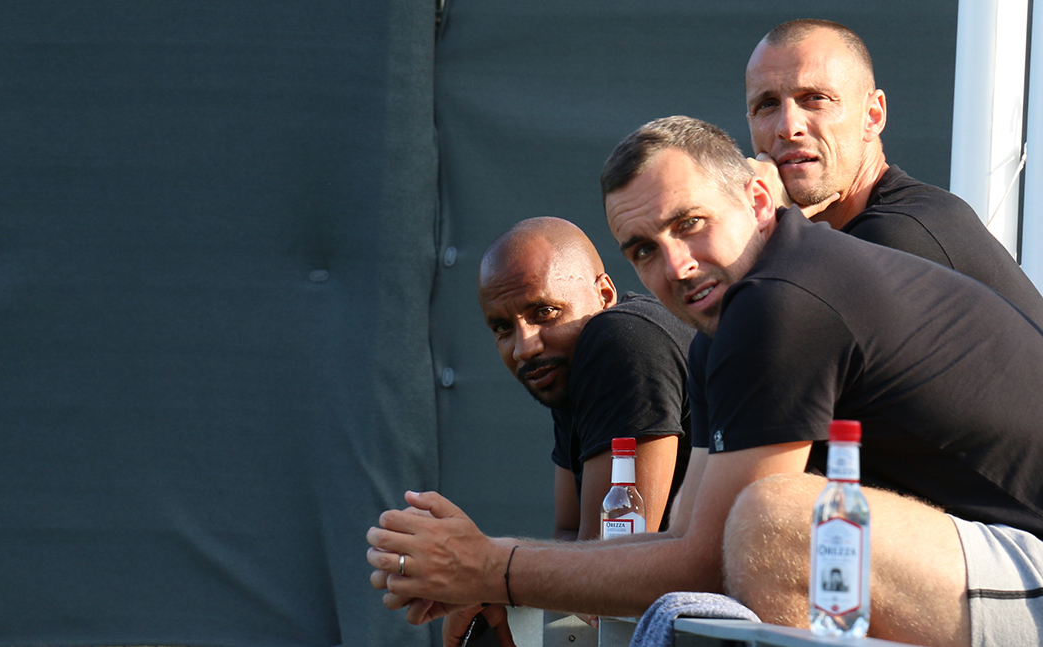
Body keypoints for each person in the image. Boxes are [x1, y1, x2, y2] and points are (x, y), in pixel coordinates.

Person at [367, 117, 1043, 647]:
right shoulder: (720, 333)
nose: (676, 266)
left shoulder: (783, 300)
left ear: (757, 199)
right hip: (981, 563)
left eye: (689, 224)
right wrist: (498, 570)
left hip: (1029, 565)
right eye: (643, 249)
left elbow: (710, 562)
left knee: (782, 523)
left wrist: (492, 567)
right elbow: (686, 538)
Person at [743, 18, 1043, 324]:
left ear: (873, 116)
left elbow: (760, 339)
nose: (788, 127)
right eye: (767, 105)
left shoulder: (899, 234)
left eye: (815, 99)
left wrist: (762, 228)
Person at [477, 216, 694, 541]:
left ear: (604, 295)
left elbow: (613, 558)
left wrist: (480, 563)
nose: (525, 348)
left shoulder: (622, 342)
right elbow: (570, 534)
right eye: (503, 328)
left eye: (545, 312)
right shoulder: (563, 366)